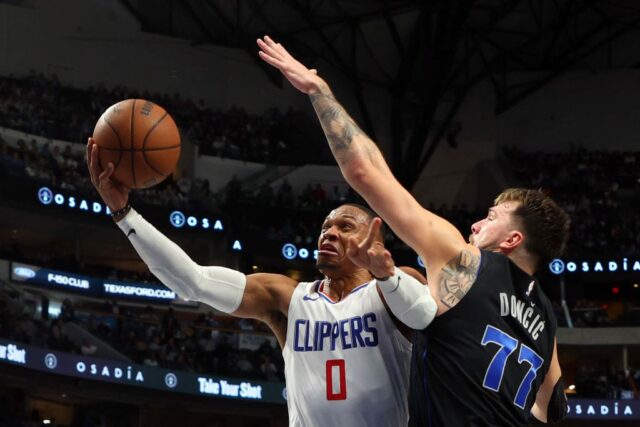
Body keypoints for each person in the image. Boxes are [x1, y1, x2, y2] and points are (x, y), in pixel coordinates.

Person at [258, 35, 570, 425]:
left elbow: (364, 173)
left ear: (512, 240)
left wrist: (320, 92)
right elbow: (553, 405)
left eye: (491, 217)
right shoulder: (547, 318)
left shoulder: (464, 261)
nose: (476, 222)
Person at [86, 138, 436, 426]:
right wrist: (124, 214)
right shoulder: (287, 297)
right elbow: (193, 281)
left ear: (375, 242)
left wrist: (385, 273)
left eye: (345, 227)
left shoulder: (395, 285)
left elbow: (421, 314)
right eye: (325, 228)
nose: (329, 234)